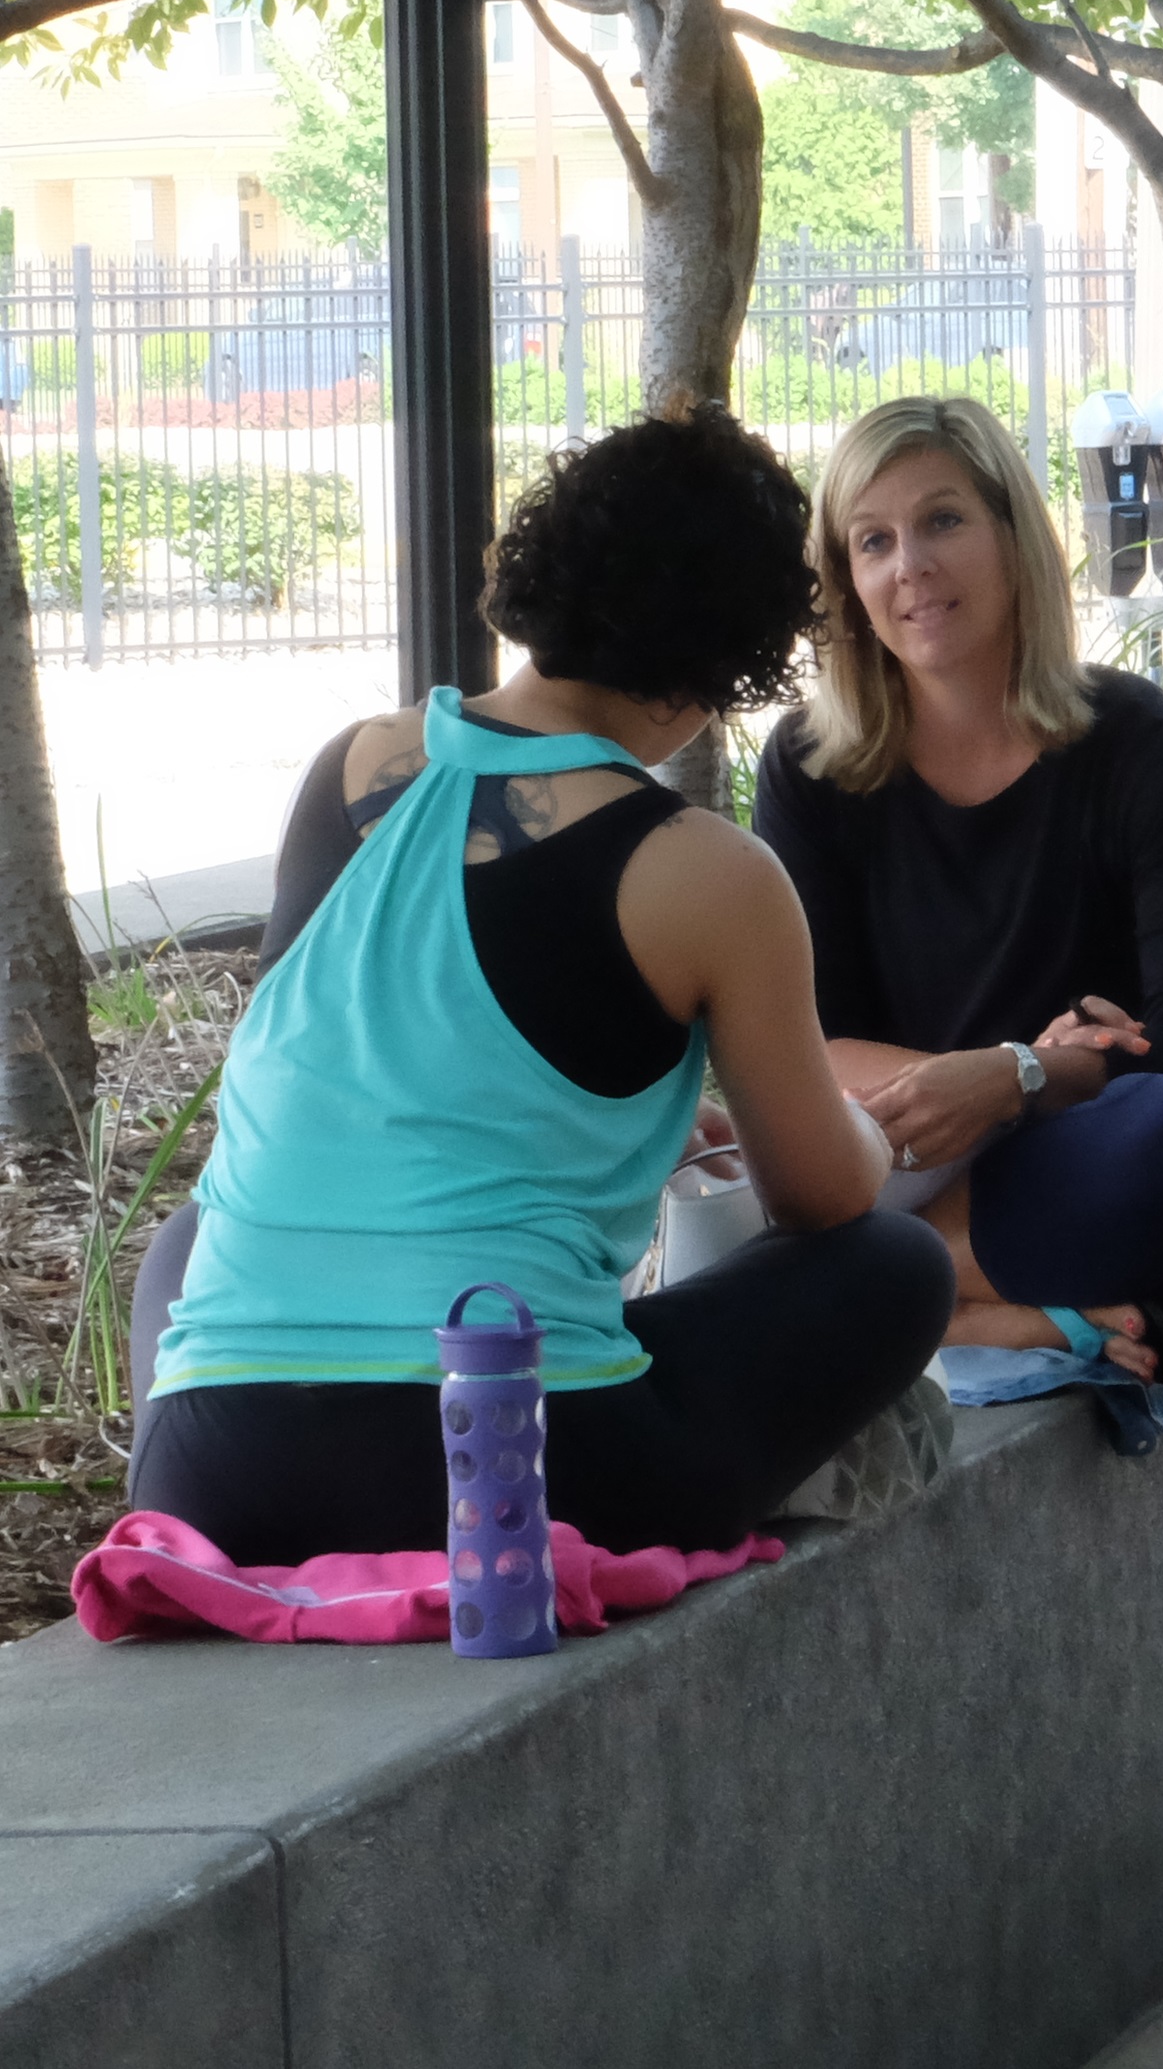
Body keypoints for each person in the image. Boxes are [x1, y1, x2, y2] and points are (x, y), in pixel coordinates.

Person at [127, 407, 955, 1566]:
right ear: (730, 656)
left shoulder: (354, 765)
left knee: (193, 1231)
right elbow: (820, 1198)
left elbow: (312, 1088)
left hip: (215, 1468)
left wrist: (615, 1127)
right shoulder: (710, 872)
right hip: (508, 1465)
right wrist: (864, 1130)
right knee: (893, 1267)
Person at [751, 395, 1163, 1390]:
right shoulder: (811, 764)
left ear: (1011, 533)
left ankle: (891, 1294)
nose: (913, 567)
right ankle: (997, 1312)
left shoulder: (1142, 747)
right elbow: (800, 1047)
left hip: (1074, 1167)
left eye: (944, 520)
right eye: (874, 540)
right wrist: (1005, 1072)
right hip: (884, 1161)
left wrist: (1021, 1077)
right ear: (846, 579)